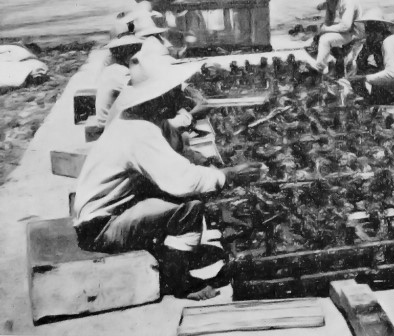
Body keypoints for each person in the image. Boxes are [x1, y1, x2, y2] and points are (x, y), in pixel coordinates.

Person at [73, 54, 264, 300]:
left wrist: (208, 165)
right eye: (173, 90)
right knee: (190, 209)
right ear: (159, 97)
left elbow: (178, 151)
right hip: (100, 228)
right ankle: (180, 283)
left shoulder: (141, 119)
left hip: (104, 216)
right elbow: (184, 181)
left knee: (183, 196)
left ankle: (172, 261)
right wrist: (229, 175)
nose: (180, 95)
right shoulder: (139, 131)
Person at [94, 15, 143, 129]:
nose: (136, 53)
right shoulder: (121, 73)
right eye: (133, 49)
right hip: (111, 128)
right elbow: (140, 92)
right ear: (123, 52)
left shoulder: (111, 69)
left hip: (106, 123)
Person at [311, 0, 363, 72]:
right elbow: (329, 16)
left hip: (353, 34)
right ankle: (332, 65)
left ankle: (318, 69)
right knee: (315, 42)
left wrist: (325, 29)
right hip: (342, 32)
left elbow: (345, 26)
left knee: (325, 40)